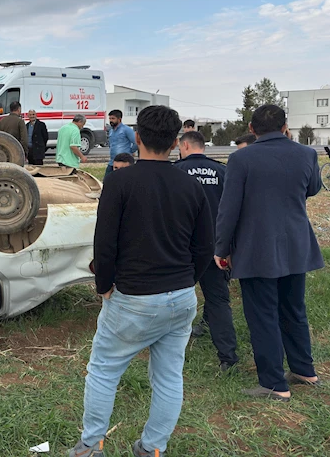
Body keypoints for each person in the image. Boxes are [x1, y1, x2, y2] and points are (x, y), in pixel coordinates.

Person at [69, 105, 213, 457]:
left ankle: (90, 446)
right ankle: (152, 448)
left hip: (133, 298)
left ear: (137, 138)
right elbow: (205, 246)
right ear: (175, 141)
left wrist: (103, 285)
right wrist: (186, 281)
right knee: (168, 377)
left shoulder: (120, 181)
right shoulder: (191, 185)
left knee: (104, 370)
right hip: (181, 298)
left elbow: (105, 242)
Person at [215, 105, 323, 401]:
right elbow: (312, 188)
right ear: (285, 126)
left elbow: (229, 208)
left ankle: (275, 384)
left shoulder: (241, 159)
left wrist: (221, 248)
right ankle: (304, 370)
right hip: (296, 245)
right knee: (294, 309)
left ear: (252, 128)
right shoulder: (307, 154)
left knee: (263, 315)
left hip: (256, 247)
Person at [174, 131, 238, 372]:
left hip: (183, 248)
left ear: (186, 146)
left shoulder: (176, 171)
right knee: (218, 300)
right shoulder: (222, 171)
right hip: (216, 247)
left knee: (177, 298)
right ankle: (228, 358)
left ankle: (172, 350)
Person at [106, 109, 137, 176]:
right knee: (107, 181)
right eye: (110, 118)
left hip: (124, 163)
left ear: (119, 119)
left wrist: (130, 151)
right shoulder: (111, 131)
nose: (111, 120)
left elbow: (136, 142)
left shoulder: (126, 130)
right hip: (112, 162)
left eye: (113, 118)